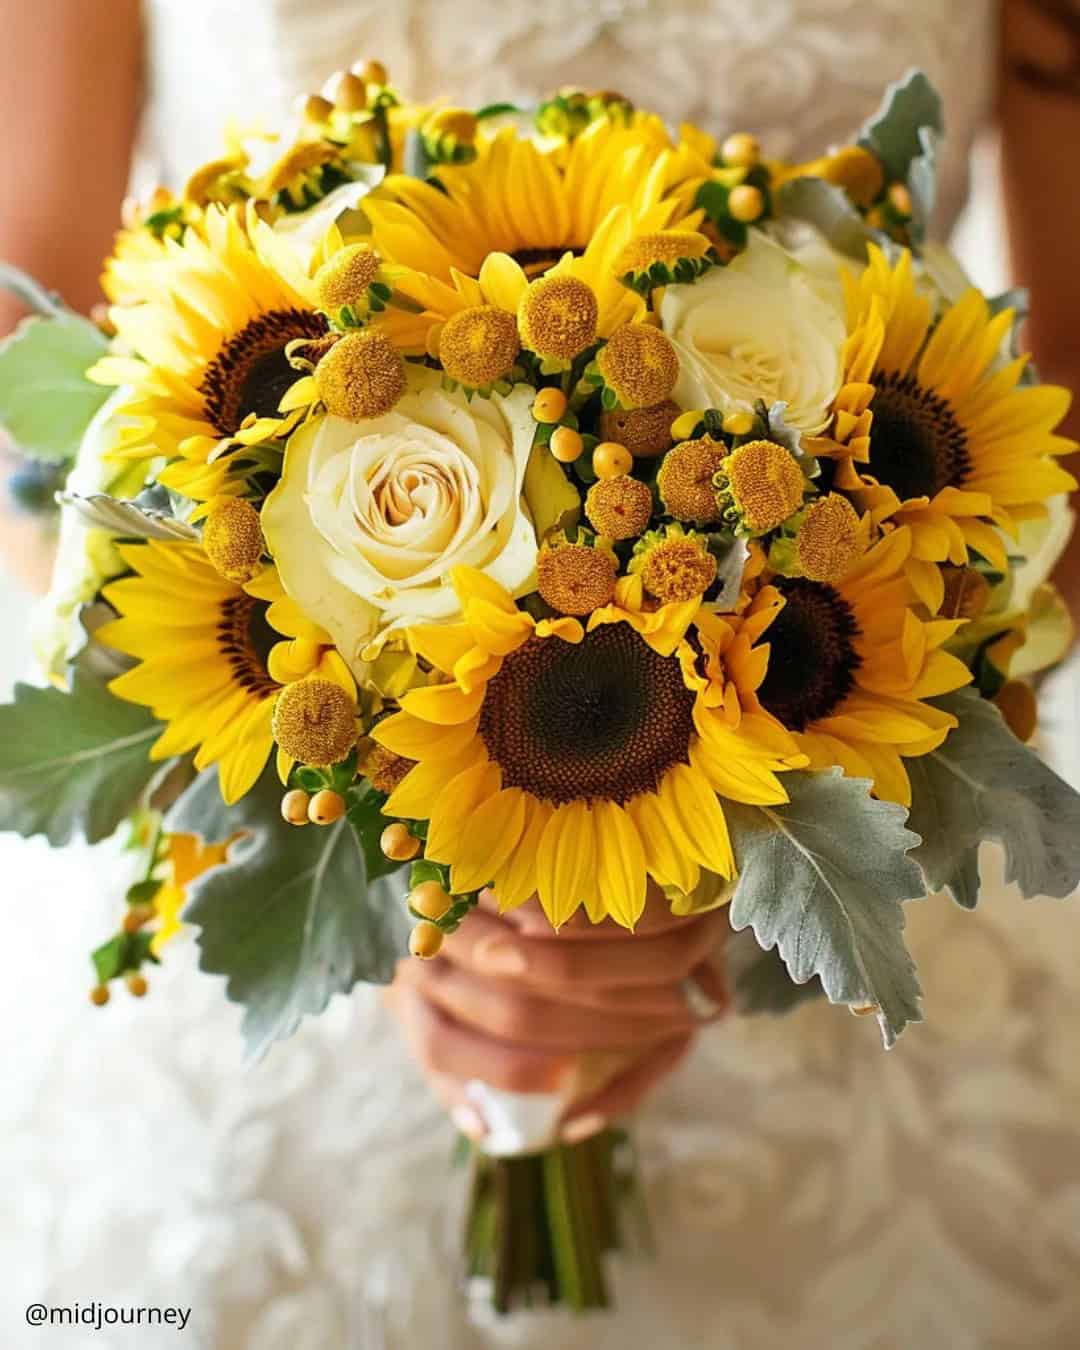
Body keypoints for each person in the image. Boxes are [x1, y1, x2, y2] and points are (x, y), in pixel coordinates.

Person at [1, 3, 1079, 1347]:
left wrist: (759, 815)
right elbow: (25, 312)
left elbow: (1068, 369)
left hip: (845, 783)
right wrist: (385, 838)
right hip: (290, 829)